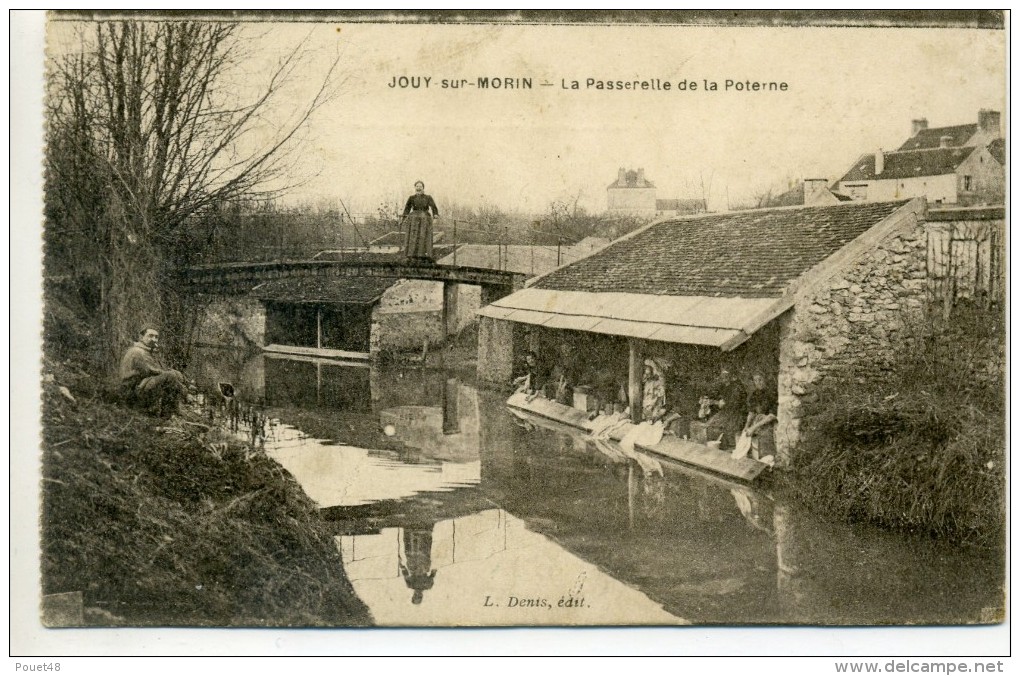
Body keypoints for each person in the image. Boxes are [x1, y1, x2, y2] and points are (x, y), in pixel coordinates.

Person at [119, 327, 189, 418]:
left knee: (174, 374)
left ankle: (173, 411)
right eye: (150, 336)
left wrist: (179, 375)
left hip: (139, 388)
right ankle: (166, 416)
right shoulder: (137, 352)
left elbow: (161, 369)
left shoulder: (147, 351)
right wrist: (181, 387)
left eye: (156, 337)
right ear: (141, 337)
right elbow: (151, 370)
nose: (154, 339)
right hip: (131, 394)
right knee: (170, 376)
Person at [700, 366, 747, 450]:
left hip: (735, 414)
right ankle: (716, 447)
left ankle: (726, 447)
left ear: (731, 376)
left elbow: (732, 404)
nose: (724, 379)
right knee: (709, 425)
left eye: (726, 376)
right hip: (726, 412)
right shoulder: (725, 386)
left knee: (718, 426)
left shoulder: (737, 387)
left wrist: (715, 402)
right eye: (722, 377)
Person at [401, 180, 440, 262]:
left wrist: (435, 216)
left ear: (423, 188)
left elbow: (434, 207)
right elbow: (407, 209)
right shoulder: (411, 198)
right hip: (414, 219)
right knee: (413, 236)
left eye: (420, 186)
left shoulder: (428, 197)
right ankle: (411, 254)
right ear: (415, 188)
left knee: (423, 236)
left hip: (424, 218)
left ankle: (423, 255)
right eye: (417, 186)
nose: (419, 188)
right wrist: (403, 218)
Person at [743, 372, 778, 461]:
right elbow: (751, 412)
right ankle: (751, 460)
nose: (758, 382)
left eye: (760, 379)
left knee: (764, 435)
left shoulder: (772, 393)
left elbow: (772, 416)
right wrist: (747, 426)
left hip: (769, 422)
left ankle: (766, 461)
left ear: (765, 379)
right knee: (744, 435)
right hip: (758, 421)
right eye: (756, 380)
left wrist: (754, 427)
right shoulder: (754, 394)